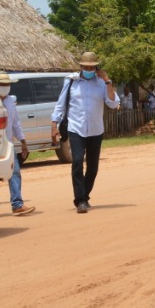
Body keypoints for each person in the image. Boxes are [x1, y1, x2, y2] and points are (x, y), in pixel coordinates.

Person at [50, 51, 120, 213]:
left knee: (93, 167)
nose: (89, 69)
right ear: (81, 66)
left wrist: (108, 81)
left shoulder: (102, 83)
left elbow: (112, 102)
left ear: (97, 67)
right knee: (77, 162)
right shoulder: (71, 82)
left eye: (92, 67)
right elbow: (60, 104)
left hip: (96, 129)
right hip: (76, 128)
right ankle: (80, 200)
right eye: (86, 66)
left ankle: (85, 196)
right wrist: (54, 125)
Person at [0, 73, 35, 217]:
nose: (6, 87)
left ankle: (17, 205)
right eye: (2, 85)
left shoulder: (10, 101)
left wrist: (23, 142)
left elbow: (16, 123)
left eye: (7, 84)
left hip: (8, 144)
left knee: (14, 172)